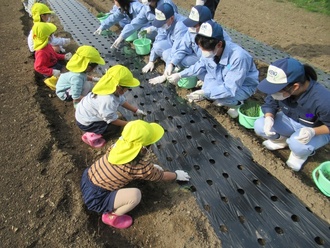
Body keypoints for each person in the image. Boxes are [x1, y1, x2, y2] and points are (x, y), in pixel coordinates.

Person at [81, 119, 190, 229]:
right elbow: (161, 176)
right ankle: (112, 216)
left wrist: (151, 168)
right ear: (143, 149)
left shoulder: (115, 147)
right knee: (135, 195)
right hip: (97, 199)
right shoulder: (139, 167)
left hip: (87, 178)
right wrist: (176, 175)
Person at [168, 20, 259, 118]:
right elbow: (199, 65)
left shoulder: (239, 58)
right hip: (219, 78)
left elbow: (230, 88)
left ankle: (238, 103)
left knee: (219, 100)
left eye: (206, 49)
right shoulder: (211, 49)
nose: (203, 52)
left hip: (241, 86)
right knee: (209, 93)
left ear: (219, 44)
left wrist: (205, 93)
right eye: (200, 47)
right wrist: (180, 75)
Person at [254, 58, 330, 171]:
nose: (274, 93)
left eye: (277, 90)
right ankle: (280, 141)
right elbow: (271, 102)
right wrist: (269, 117)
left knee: (297, 144)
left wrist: (312, 132)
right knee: (260, 125)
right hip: (289, 119)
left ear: (295, 87)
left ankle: (299, 155)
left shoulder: (323, 100)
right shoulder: (282, 90)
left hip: (313, 126)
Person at [149, 5, 231, 85]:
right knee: (177, 58)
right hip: (201, 58)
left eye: (194, 25)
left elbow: (206, 63)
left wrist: (181, 75)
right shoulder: (192, 31)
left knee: (209, 79)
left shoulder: (215, 36)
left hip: (216, 64)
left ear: (204, 24)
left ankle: (206, 79)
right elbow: (182, 48)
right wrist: (171, 64)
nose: (191, 27)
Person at [75, 65, 147, 148]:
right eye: (128, 87)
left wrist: (135, 110)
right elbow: (111, 120)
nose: (128, 89)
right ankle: (92, 135)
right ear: (119, 87)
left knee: (117, 121)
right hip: (86, 123)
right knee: (114, 129)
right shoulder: (108, 100)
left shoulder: (109, 88)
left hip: (84, 114)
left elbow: (122, 101)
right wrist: (130, 124)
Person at [141, 3, 187, 84]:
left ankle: (177, 67)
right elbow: (158, 40)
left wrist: (165, 74)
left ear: (172, 18)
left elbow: (176, 49)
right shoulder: (165, 22)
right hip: (172, 42)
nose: (161, 26)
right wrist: (151, 61)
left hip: (184, 50)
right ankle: (170, 63)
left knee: (166, 54)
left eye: (162, 23)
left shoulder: (181, 26)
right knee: (157, 46)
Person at [110, 0, 178, 49]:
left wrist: (152, 29)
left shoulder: (166, 4)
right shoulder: (147, 7)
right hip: (160, 30)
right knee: (142, 34)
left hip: (172, 31)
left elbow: (171, 23)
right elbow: (135, 23)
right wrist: (122, 36)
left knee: (160, 47)